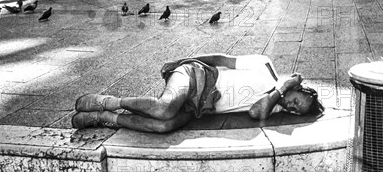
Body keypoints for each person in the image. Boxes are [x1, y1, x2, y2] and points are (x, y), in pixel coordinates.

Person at [72, 54, 325, 133]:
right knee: (164, 108)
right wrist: (180, 61)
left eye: (294, 109)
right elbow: (220, 58)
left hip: (201, 107)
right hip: (196, 75)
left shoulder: (270, 105)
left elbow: (254, 112)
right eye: (295, 100)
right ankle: (106, 101)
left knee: (164, 126)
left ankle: (105, 119)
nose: (290, 106)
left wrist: (280, 95)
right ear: (296, 85)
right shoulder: (265, 65)